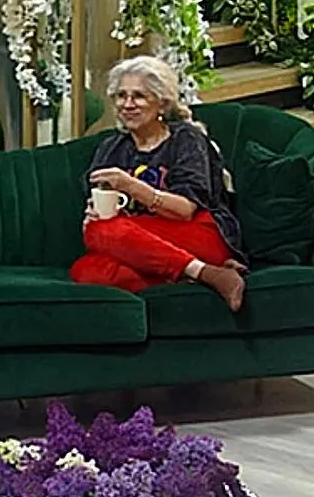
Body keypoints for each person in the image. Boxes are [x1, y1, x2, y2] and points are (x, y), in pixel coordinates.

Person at [70, 55, 249, 311]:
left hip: (198, 232)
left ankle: (201, 270)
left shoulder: (186, 139)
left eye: (138, 96)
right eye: (121, 96)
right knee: (88, 270)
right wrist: (92, 215)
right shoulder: (111, 148)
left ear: (162, 104)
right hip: (138, 242)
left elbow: (185, 210)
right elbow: (100, 210)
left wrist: (131, 186)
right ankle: (204, 274)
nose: (127, 104)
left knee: (103, 232)